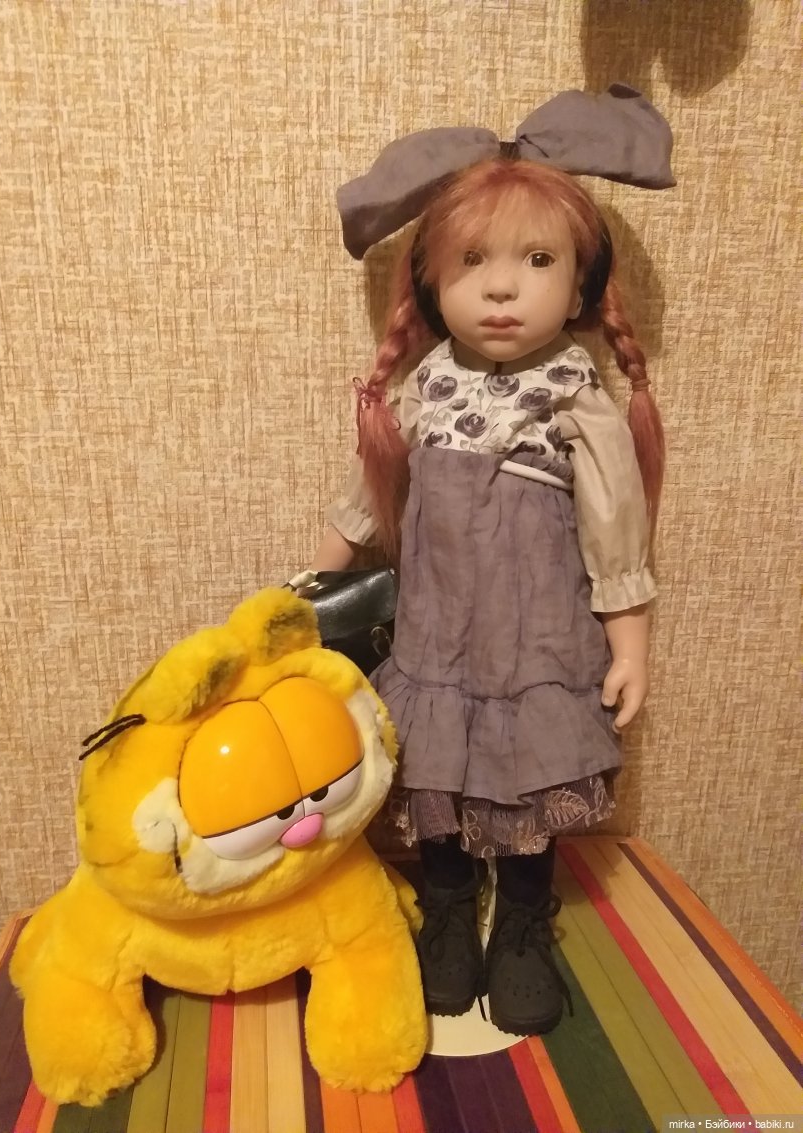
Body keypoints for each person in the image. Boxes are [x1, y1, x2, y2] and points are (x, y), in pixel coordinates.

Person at [302, 87, 673, 1036]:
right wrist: (312, 588)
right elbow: (369, 494)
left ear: (580, 286)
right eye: (474, 262)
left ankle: (521, 926)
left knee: (528, 786)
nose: (503, 288)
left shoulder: (574, 393)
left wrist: (629, 640)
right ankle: (448, 913)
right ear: (433, 285)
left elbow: (615, 525)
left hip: (538, 646)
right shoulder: (428, 386)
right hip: (434, 642)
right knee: (436, 781)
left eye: (538, 261)